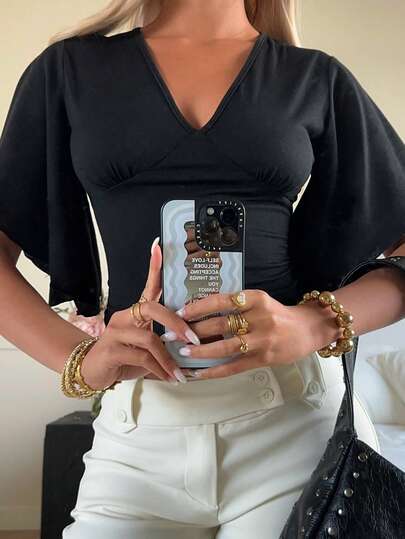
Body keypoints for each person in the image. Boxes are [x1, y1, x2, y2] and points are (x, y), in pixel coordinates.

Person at [1, 1, 405, 537]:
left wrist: (315, 323)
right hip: (138, 430)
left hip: (295, 423)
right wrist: (78, 358)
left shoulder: (314, 78)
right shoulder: (66, 72)